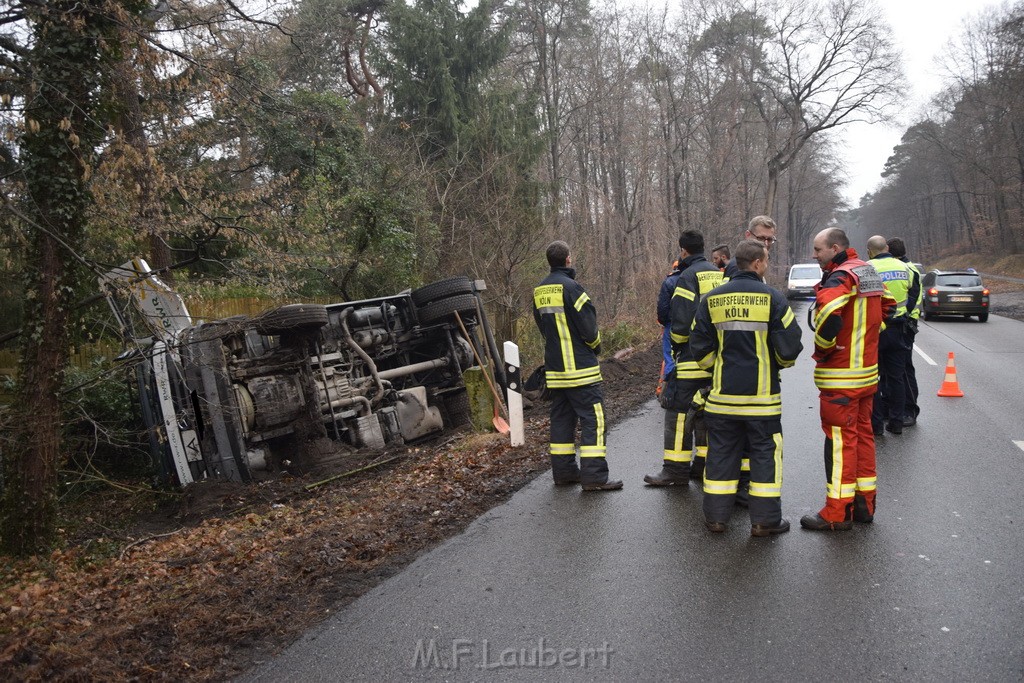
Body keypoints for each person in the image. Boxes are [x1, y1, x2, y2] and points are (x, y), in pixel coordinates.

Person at [689, 239, 803, 536]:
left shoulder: (711, 299)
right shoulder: (773, 298)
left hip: (721, 400)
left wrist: (718, 369)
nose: (766, 264)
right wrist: (775, 363)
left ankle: (716, 519)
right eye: (765, 260)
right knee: (765, 457)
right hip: (762, 401)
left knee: (720, 457)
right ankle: (764, 522)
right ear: (756, 264)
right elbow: (790, 348)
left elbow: (698, 347)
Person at [801, 228, 895, 531]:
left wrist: (826, 349)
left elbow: (828, 315)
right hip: (867, 375)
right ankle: (864, 505)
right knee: (863, 438)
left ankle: (837, 513)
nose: (815, 255)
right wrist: (866, 338)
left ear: (835, 247)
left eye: (818, 250)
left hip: (841, 377)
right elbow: (889, 306)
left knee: (840, 443)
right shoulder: (867, 272)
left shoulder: (840, 276)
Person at [533, 241, 622, 491]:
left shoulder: (539, 291)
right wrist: (595, 347)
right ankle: (594, 478)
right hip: (581, 372)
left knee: (561, 420)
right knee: (595, 420)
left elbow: (543, 329)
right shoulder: (573, 288)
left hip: (555, 371)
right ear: (568, 259)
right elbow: (589, 329)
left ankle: (564, 474)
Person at [645, 230, 724, 486]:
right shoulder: (718, 274)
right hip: (716, 359)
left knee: (677, 412)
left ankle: (675, 471)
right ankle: (701, 466)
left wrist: (678, 350)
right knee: (703, 414)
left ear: (683, 250)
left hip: (691, 357)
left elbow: (679, 324)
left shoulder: (686, 277)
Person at [866, 235, 913, 436]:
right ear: (886, 247)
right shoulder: (905, 267)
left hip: (876, 330)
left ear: (869, 251)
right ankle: (896, 423)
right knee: (897, 378)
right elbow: (912, 291)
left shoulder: (866, 268)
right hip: (898, 328)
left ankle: (876, 425)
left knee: (873, 378)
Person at [887, 237, 922, 426]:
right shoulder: (902, 268)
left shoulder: (908, 270)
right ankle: (892, 409)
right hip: (899, 324)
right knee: (890, 371)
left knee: (904, 370)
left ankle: (909, 410)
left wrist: (901, 317)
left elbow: (912, 298)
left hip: (904, 326)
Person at [656, 258, 684, 394]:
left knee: (669, 356)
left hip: (671, 325)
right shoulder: (690, 279)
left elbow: (662, 307)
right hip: (689, 324)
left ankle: (668, 389)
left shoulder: (669, 282)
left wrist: (663, 322)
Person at [723, 216, 777, 280]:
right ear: (748, 235)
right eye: (760, 238)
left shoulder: (762, 264)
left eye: (770, 239)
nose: (766, 243)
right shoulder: (737, 267)